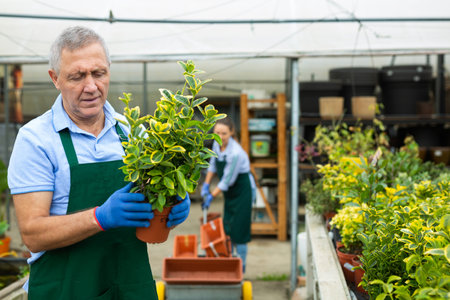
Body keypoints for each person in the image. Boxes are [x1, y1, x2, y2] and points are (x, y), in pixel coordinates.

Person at [7, 26, 190, 299]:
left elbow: (147, 212)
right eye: (77, 76)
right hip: (65, 290)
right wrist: (99, 218)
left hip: (129, 287)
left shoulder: (131, 131)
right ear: (55, 78)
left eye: (99, 73)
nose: (91, 86)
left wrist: (171, 208)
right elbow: (33, 234)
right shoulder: (36, 140)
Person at [201, 117, 255, 272]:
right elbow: (212, 165)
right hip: (230, 192)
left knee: (240, 229)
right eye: (217, 133)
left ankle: (241, 266)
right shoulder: (217, 145)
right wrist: (206, 184)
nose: (220, 136)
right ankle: (230, 260)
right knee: (228, 225)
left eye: (224, 133)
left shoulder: (236, 153)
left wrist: (211, 195)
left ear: (231, 132)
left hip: (242, 190)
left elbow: (227, 181)